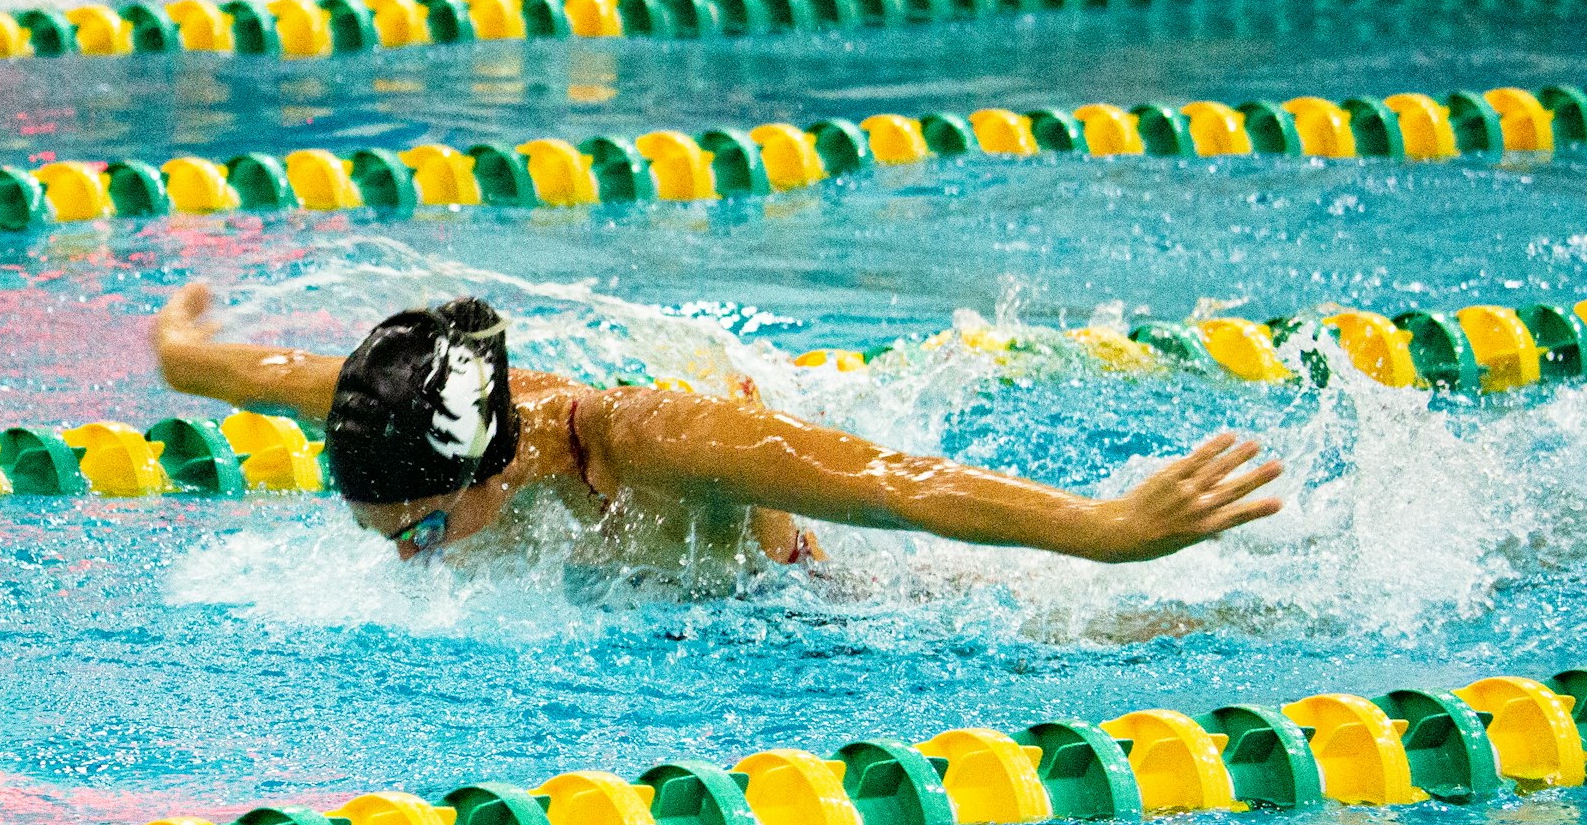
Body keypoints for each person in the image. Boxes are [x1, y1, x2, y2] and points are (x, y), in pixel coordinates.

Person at [151, 282, 1283, 568]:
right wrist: (179, 350)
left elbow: (897, 481)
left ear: (490, 476)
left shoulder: (647, 441)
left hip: (822, 597)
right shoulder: (404, 424)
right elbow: (256, 370)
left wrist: (1110, 527)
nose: (410, 562)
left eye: (426, 536)